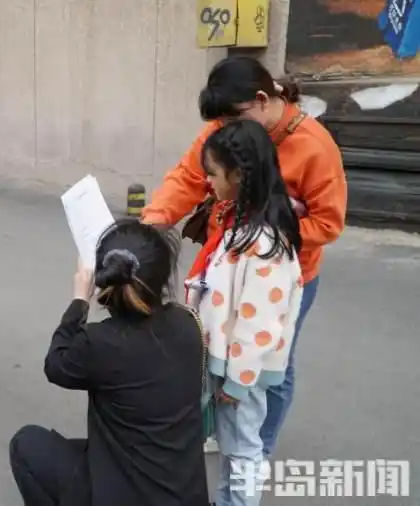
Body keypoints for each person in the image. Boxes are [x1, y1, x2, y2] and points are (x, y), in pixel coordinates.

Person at [141, 56, 346, 456]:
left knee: (272, 363)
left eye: (231, 120)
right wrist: (152, 221)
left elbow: (327, 225)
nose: (222, 131)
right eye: (219, 124)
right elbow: (188, 177)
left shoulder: (316, 148)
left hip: (283, 276)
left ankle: (258, 449)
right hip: (227, 267)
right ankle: (225, 425)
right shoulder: (226, 128)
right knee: (220, 349)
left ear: (260, 99)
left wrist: (262, 236)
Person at [9, 219, 210, 506]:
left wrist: (80, 300)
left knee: (26, 444)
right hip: (184, 494)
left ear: (104, 282)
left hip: (126, 493)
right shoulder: (188, 323)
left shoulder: (99, 342)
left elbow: (56, 364)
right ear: (163, 279)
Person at [187, 120, 305, 505]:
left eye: (213, 173)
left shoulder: (266, 244)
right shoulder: (242, 224)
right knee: (232, 450)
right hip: (230, 368)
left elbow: (259, 326)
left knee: (242, 452)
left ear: (238, 175)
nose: (208, 182)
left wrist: (237, 382)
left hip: (242, 375)